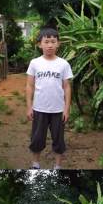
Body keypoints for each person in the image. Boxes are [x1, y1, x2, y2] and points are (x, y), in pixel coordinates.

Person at [26, 28, 73, 169]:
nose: (50, 45)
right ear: (40, 44)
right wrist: (29, 107)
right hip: (39, 108)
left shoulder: (63, 64)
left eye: (53, 41)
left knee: (58, 139)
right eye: (46, 42)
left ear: (58, 44)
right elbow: (29, 85)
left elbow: (67, 87)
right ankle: (35, 163)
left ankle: (57, 165)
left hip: (58, 110)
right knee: (37, 138)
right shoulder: (35, 63)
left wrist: (66, 109)